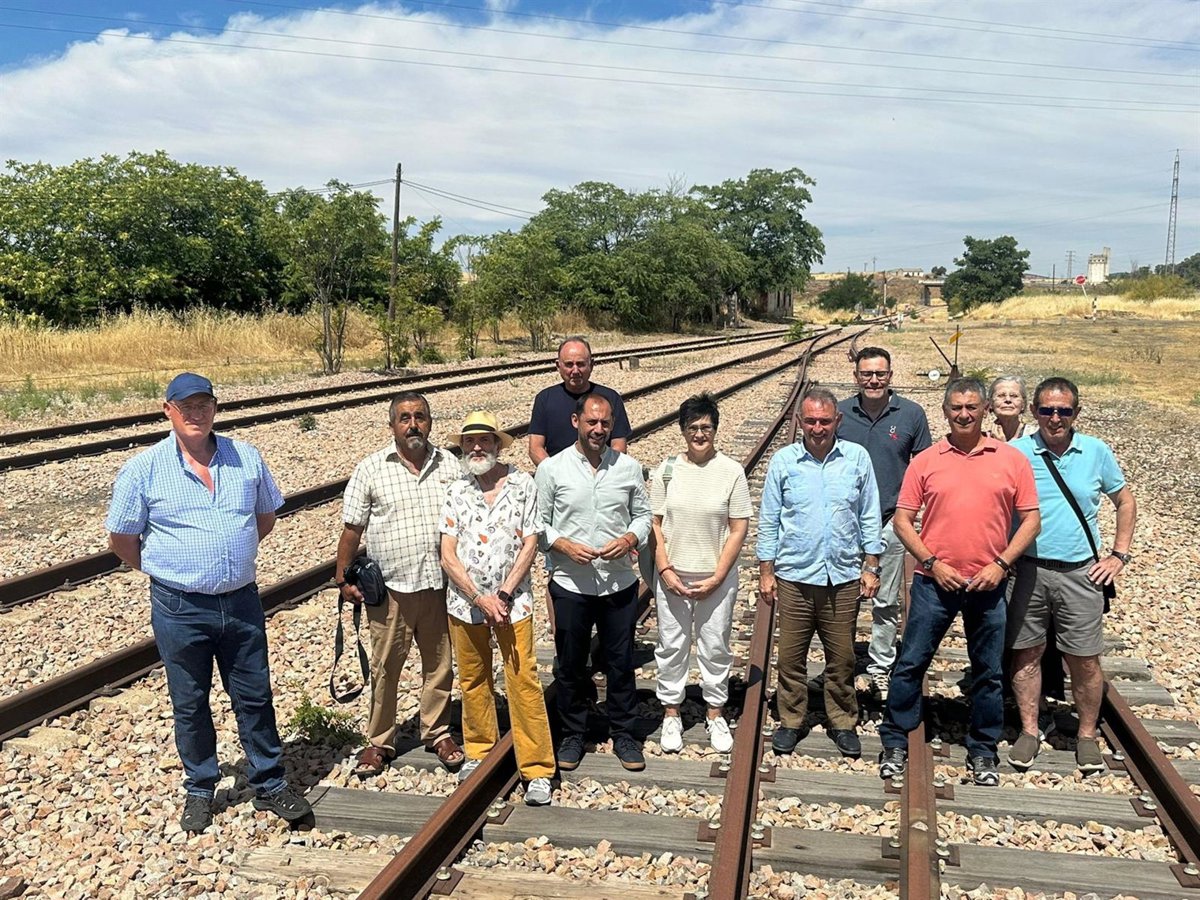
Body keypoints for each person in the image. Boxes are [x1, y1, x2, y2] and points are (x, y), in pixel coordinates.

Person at [106, 372, 311, 834]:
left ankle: (270, 782)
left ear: (215, 408)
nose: (196, 414)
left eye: (204, 405)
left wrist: (228, 559)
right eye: (186, 407)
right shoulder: (143, 469)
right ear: (168, 411)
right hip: (180, 607)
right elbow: (122, 539)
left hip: (240, 601)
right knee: (190, 702)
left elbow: (264, 517)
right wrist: (169, 569)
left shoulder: (246, 457)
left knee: (255, 696)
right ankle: (200, 788)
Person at [878, 378, 1041, 787]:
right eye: (956, 408)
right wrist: (932, 563)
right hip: (935, 583)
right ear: (945, 411)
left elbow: (1031, 520)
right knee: (911, 662)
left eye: (971, 407)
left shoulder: (1011, 459)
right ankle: (895, 739)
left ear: (985, 409)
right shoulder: (926, 460)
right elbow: (903, 520)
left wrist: (1001, 564)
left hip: (988, 584)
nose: (964, 415)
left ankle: (983, 749)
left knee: (988, 672)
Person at [1006, 377, 1136, 774]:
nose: (1055, 418)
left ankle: (1086, 735)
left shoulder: (1096, 451)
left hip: (1081, 573)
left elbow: (1124, 501)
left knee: (1084, 659)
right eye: (1047, 410)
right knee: (1026, 653)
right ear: (1034, 411)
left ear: (1076, 412)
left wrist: (1118, 555)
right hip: (1028, 570)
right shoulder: (1016, 452)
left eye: (1064, 410)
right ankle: (1030, 729)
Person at [336, 391, 465, 777]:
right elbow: (352, 530)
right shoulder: (371, 468)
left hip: (439, 584)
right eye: (405, 418)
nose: (413, 425)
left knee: (439, 665)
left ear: (430, 422)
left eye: (420, 417)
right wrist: (342, 578)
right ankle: (379, 740)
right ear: (392, 425)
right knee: (385, 668)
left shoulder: (450, 465)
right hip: (391, 589)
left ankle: (438, 732)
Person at [758, 387, 884, 759]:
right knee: (790, 658)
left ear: (837, 420)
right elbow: (769, 519)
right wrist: (766, 571)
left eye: (825, 421)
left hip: (842, 578)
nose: (817, 428)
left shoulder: (857, 458)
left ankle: (842, 721)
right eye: (811, 421)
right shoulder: (784, 461)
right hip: (794, 577)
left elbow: (869, 515)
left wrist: (871, 565)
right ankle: (791, 720)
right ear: (800, 421)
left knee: (842, 658)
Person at [439, 411, 556, 805]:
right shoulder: (457, 490)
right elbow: (447, 552)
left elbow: (531, 541)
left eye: (484, 440)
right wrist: (478, 597)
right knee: (473, 679)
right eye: (469, 441)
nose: (476, 447)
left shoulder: (522, 484)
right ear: (462, 447)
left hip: (513, 603)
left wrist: (502, 595)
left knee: (523, 681)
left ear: (496, 444)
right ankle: (479, 750)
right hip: (466, 602)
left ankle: (537, 769)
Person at [535, 393, 652, 772]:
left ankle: (624, 734)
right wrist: (563, 544)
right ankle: (573, 733)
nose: (598, 429)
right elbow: (537, 523)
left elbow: (644, 516)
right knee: (571, 665)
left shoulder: (628, 468)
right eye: (591, 422)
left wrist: (630, 538)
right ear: (576, 422)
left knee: (621, 663)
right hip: (571, 583)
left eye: (605, 423)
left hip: (618, 584)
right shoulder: (552, 470)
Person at [650, 394, 751, 754]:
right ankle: (671, 712)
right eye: (692, 427)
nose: (699, 434)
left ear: (715, 429)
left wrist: (718, 576)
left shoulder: (731, 471)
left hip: (716, 577)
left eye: (706, 427)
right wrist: (665, 569)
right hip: (673, 575)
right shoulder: (666, 470)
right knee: (671, 645)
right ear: (682, 430)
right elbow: (654, 523)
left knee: (715, 646)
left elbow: (738, 528)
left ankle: (715, 712)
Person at [836, 347, 933, 700]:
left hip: (890, 520)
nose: (873, 380)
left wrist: (911, 513)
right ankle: (841, 666)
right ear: (856, 377)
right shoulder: (840, 414)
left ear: (890, 375)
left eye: (880, 374)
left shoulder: (911, 414)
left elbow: (924, 467)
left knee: (886, 602)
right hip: (846, 524)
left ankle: (880, 666)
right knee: (842, 600)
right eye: (867, 374)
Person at [528, 336, 632, 466]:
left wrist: (600, 472)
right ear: (558, 366)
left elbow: (619, 446)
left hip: (601, 471)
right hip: (558, 473)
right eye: (569, 364)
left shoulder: (610, 398)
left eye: (581, 364)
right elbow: (535, 448)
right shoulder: (545, 399)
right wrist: (553, 472)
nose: (575, 371)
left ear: (591, 365)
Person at [988, 375, 1037, 442]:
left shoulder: (1035, 436)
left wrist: (1003, 445)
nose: (1008, 399)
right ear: (990, 403)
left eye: (1014, 396)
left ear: (1023, 404)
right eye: (1001, 395)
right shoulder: (982, 439)